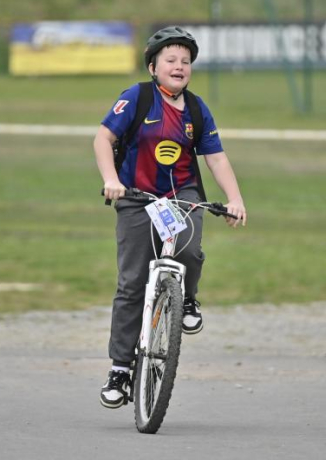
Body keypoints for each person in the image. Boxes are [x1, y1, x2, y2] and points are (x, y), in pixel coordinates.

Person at [93, 26, 247, 409]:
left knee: (190, 251)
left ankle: (187, 300)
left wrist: (235, 199)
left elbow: (215, 157)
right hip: (135, 197)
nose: (179, 66)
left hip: (181, 195)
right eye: (171, 60)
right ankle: (120, 370)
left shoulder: (196, 109)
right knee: (131, 284)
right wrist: (111, 180)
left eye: (186, 61)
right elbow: (103, 139)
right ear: (153, 66)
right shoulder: (138, 98)